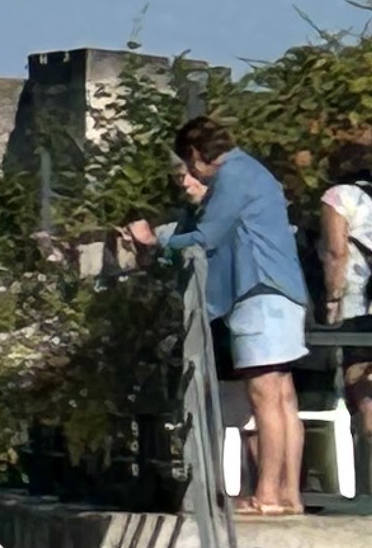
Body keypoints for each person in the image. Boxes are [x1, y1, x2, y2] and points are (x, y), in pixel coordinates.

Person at [125, 118, 312, 522]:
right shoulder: (254, 172)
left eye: (189, 165)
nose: (191, 175)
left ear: (196, 154)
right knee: (283, 397)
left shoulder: (233, 176)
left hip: (258, 289)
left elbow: (207, 236)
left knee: (264, 396)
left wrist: (155, 241)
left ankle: (266, 495)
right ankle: (288, 495)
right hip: (281, 290)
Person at [314, 139, 372, 481]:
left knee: (359, 378)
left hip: (359, 304)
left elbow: (337, 252)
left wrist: (333, 297)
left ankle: (366, 479)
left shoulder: (338, 197)